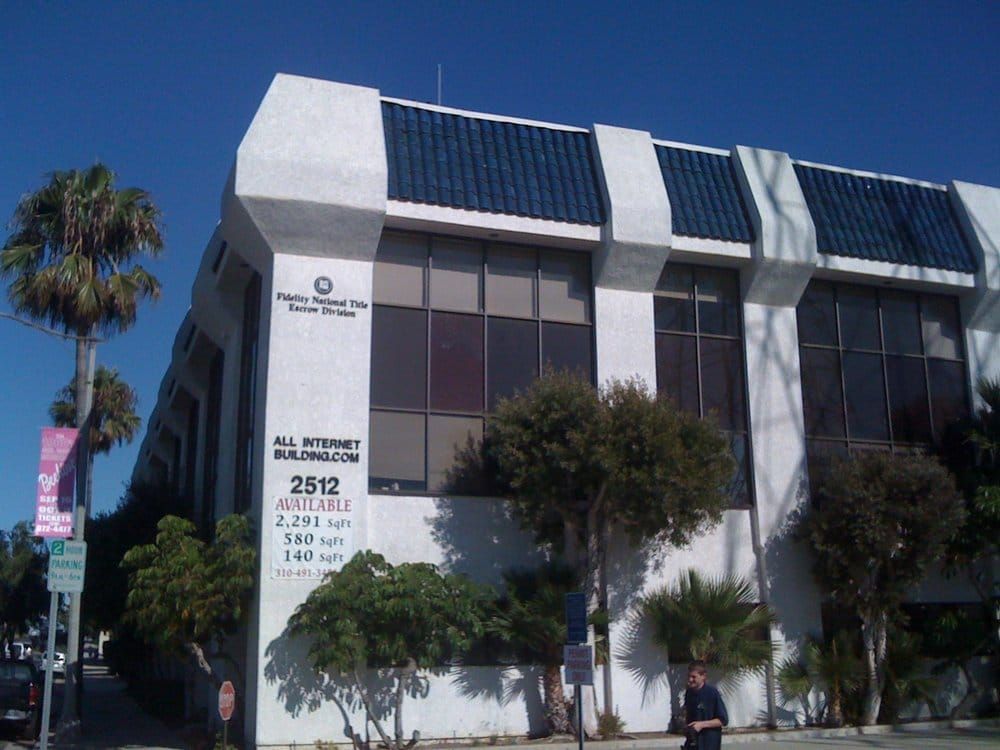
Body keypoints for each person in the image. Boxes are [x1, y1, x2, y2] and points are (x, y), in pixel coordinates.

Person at [684, 660, 728, 750]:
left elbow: (723, 720)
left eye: (693, 677)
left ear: (703, 676)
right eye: (689, 676)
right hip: (693, 744)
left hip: (709, 744)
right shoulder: (689, 693)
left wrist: (701, 725)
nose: (690, 680)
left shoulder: (712, 693)